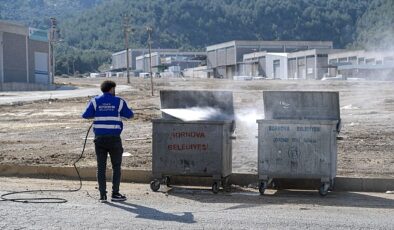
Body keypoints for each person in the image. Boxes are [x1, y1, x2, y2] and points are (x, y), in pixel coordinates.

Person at [82, 80, 134, 203]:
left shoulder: (95, 101)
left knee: (101, 167)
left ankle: (102, 196)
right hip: (114, 140)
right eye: (114, 89)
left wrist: (98, 114)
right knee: (116, 167)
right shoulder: (119, 102)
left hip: (99, 139)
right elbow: (130, 115)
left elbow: (85, 115)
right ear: (111, 89)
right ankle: (115, 194)